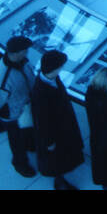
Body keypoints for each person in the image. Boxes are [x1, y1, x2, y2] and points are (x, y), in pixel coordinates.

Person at [31, 50, 83, 190]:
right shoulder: (40, 93)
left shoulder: (52, 78)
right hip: (56, 132)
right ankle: (59, 182)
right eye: (61, 66)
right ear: (54, 68)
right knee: (56, 159)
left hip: (63, 126)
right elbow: (42, 122)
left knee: (62, 155)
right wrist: (49, 142)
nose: (62, 68)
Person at [0, 36, 36, 178]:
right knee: (16, 140)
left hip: (24, 107)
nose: (27, 53)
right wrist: (7, 110)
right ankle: (20, 163)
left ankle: (30, 144)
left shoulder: (23, 62)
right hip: (12, 114)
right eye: (25, 50)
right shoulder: (2, 77)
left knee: (27, 130)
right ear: (16, 53)